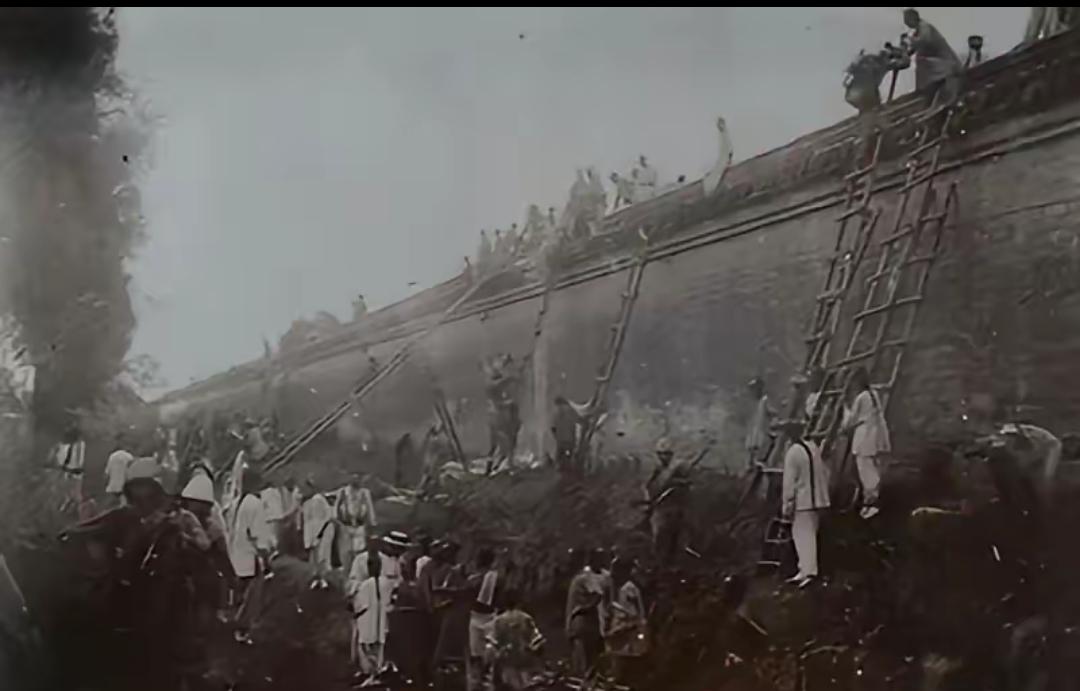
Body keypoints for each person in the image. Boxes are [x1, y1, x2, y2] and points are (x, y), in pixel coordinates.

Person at [780, 418, 831, 589]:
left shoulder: (792, 453)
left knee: (803, 536)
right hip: (818, 499)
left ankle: (809, 572)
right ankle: (804, 569)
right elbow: (824, 472)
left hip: (803, 501)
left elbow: (789, 482)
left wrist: (787, 505)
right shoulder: (813, 447)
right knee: (810, 535)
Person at [842, 367, 890, 519]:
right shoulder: (874, 395)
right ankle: (869, 500)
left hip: (864, 437)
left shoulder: (861, 398)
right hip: (875, 435)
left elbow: (850, 421)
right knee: (872, 467)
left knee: (866, 470)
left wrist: (845, 410)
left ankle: (872, 502)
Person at [228, 467, 274, 598]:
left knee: (238, 598)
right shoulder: (254, 503)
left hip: (235, 559)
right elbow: (257, 536)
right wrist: (267, 558)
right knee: (251, 599)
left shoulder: (236, 503)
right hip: (250, 563)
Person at [902, 9, 963, 107]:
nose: (905, 22)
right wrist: (906, 53)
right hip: (938, 62)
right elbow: (915, 47)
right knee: (920, 60)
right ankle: (926, 90)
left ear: (913, 17)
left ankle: (928, 88)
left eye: (906, 19)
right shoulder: (918, 31)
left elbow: (924, 40)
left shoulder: (924, 26)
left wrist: (910, 40)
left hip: (945, 62)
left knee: (921, 60)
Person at [644, 438, 691, 561]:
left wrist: (679, 483)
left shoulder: (679, 467)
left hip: (677, 505)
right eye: (661, 454)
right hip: (661, 506)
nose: (664, 457)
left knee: (680, 534)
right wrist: (649, 500)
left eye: (667, 454)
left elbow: (689, 483)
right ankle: (657, 559)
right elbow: (649, 486)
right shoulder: (657, 469)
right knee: (659, 533)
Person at [489, 588, 544, 691]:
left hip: (506, 665)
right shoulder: (526, 618)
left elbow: (493, 645)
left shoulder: (498, 621)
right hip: (525, 664)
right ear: (519, 602)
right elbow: (537, 642)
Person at [604, 558, 648, 683]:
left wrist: (618, 629)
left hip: (628, 630)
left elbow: (632, 612)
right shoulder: (624, 588)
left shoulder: (628, 589)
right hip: (627, 628)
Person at [349, 552, 392, 676]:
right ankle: (375, 670)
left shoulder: (365, 586)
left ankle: (370, 671)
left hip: (373, 622)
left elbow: (357, 607)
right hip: (377, 622)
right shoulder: (386, 584)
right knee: (377, 646)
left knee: (369, 646)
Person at [565, 548, 603, 676]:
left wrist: (584, 608)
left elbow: (597, 595)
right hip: (583, 622)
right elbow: (598, 595)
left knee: (582, 663)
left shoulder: (582, 577)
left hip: (580, 622)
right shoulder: (585, 577)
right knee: (585, 663)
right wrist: (586, 607)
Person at [467, 547, 500, 691]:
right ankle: (479, 681)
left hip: (486, 617)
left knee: (484, 654)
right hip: (480, 616)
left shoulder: (490, 578)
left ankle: (482, 681)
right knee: (479, 654)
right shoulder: (476, 579)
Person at [336, 474, 377, 575]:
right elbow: (336, 506)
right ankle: (346, 572)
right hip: (345, 526)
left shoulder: (365, 493)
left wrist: (372, 522)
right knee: (345, 552)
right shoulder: (342, 492)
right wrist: (336, 520)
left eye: (358, 478)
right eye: (353, 478)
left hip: (359, 526)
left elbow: (370, 508)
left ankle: (356, 573)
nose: (356, 481)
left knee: (358, 550)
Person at [53, 424, 88, 518]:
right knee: (70, 492)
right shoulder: (73, 445)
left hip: (73, 471)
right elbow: (68, 458)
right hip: (71, 471)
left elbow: (76, 459)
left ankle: (78, 512)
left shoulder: (77, 445)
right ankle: (71, 509)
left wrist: (74, 468)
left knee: (75, 493)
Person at [302, 479, 335, 571]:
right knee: (314, 560)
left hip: (323, 531)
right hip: (315, 534)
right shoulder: (307, 502)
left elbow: (326, 518)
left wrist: (318, 536)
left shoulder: (318, 500)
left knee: (323, 557)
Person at [745, 378, 774, 471]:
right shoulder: (754, 403)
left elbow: (772, 413)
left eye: (755, 389)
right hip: (755, 434)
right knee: (752, 454)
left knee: (760, 457)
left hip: (762, 433)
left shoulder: (765, 400)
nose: (753, 392)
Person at [104, 434, 134, 508]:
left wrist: (106, 485)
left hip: (112, 489)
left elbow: (106, 475)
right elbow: (131, 475)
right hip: (124, 490)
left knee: (108, 509)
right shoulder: (129, 457)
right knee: (124, 508)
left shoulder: (112, 456)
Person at [552, 396, 581, 473]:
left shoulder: (555, 412)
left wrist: (556, 436)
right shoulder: (571, 410)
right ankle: (569, 469)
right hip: (570, 440)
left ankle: (558, 469)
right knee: (569, 456)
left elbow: (553, 427)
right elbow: (578, 421)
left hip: (561, 440)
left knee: (559, 456)